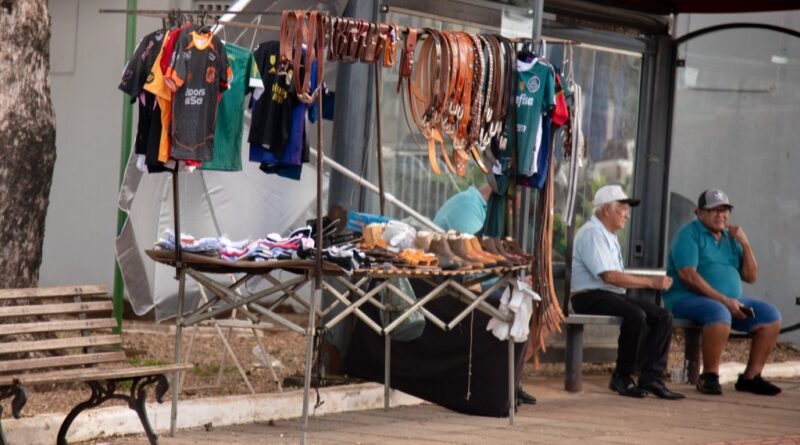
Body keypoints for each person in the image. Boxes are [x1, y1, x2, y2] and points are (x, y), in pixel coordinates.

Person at [664, 189, 782, 396]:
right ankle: (709, 376)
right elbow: (688, 276)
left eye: (725, 210)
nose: (721, 215)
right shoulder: (688, 235)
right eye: (714, 210)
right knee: (719, 313)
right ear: (699, 212)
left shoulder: (731, 237)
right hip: (686, 298)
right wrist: (725, 301)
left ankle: (750, 378)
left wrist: (745, 243)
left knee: (770, 317)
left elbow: (751, 277)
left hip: (730, 300)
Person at [571, 184, 684, 400]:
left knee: (663, 316)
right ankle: (622, 377)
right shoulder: (592, 233)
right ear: (607, 210)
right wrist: (651, 282)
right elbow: (609, 276)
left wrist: (650, 283)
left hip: (609, 294)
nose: (627, 216)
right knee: (636, 315)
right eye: (623, 209)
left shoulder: (608, 234)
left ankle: (651, 377)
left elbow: (613, 279)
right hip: (588, 296)